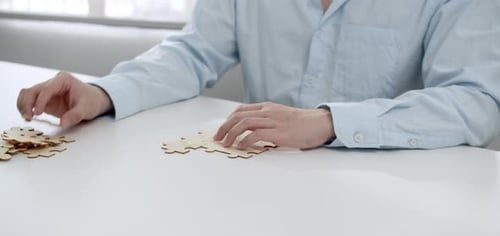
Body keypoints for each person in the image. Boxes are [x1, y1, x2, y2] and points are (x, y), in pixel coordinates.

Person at [16, 0, 500, 150]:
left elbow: (476, 100)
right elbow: (191, 53)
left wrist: (331, 121)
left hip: (394, 195)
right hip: (258, 181)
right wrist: (102, 91)